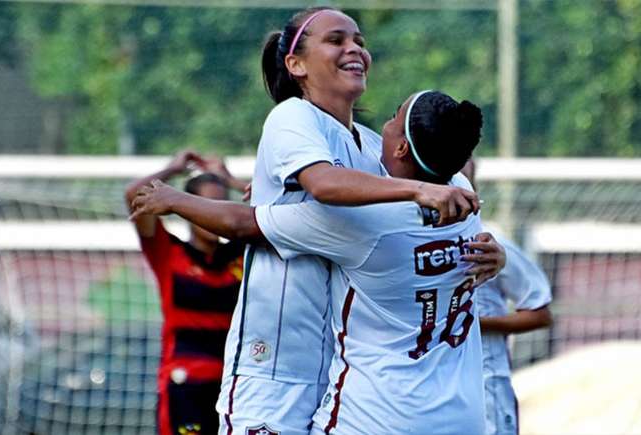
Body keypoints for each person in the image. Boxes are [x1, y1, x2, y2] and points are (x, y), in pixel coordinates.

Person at [142, 7, 490, 434]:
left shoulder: (367, 146)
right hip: (274, 366)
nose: (354, 49)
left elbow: (429, 179)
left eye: (359, 40)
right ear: (296, 64)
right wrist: (421, 192)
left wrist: (494, 254)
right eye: (337, 40)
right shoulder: (294, 116)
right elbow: (323, 185)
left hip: (333, 372)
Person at [124, 151, 246, 435]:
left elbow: (277, 212)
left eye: (218, 205)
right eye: (202, 205)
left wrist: (233, 182)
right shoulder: (169, 253)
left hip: (234, 387)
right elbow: (133, 195)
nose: (211, 213)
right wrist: (173, 169)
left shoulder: (241, 253)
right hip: (185, 387)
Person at [460, 160, 554, 435]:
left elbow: (540, 312)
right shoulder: (416, 237)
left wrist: (480, 324)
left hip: (488, 383)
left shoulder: (490, 241)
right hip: (443, 391)